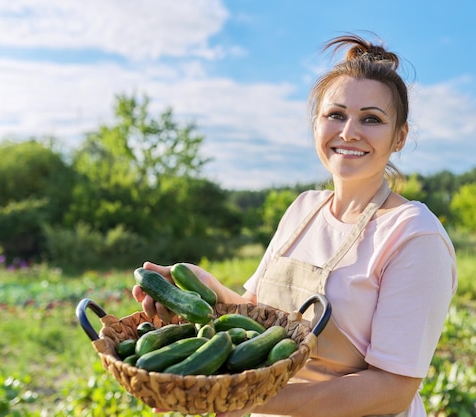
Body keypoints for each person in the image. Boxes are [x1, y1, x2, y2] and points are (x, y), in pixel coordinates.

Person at [133, 33, 457, 417]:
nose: (349, 131)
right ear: (316, 125)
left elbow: (392, 390)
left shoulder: (414, 234)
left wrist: (243, 397)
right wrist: (212, 291)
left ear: (399, 137)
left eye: (371, 119)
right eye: (335, 114)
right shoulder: (304, 209)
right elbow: (263, 318)